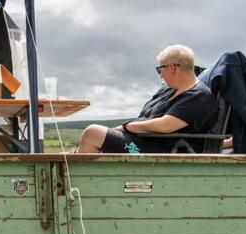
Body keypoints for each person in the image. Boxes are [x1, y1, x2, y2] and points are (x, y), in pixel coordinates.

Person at [78, 45, 219, 154]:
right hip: (142, 142)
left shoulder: (198, 96)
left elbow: (165, 126)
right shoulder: (168, 90)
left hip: (159, 151)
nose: (161, 76)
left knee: (92, 133)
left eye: (160, 70)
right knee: (89, 140)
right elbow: (146, 117)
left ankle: (80, 190)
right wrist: (118, 131)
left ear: (172, 68)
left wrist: (128, 127)